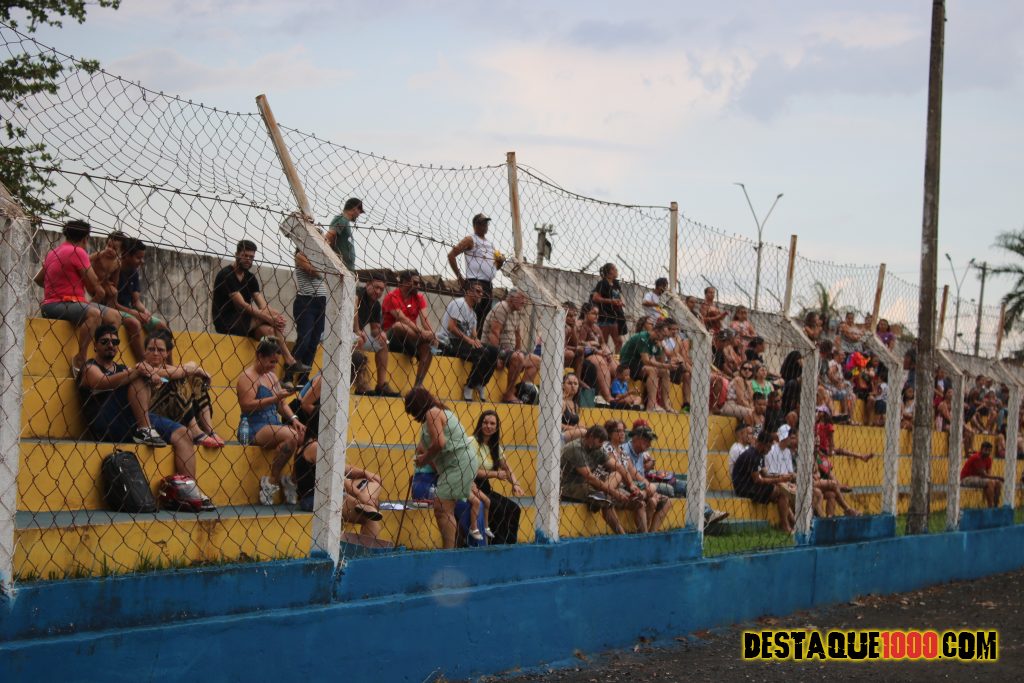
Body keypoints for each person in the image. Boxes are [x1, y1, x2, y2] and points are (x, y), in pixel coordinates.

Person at [78, 325, 211, 506]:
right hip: (106, 422)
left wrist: (151, 377)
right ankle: (145, 430)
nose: (110, 345)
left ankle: (189, 491)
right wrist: (138, 372)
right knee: (139, 374)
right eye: (105, 341)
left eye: (115, 342)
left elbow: (148, 377)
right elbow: (103, 382)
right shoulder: (89, 367)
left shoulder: (122, 368)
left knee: (183, 434)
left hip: (133, 418)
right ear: (95, 345)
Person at [293, 374, 385, 538]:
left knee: (374, 482)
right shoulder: (316, 447)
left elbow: (343, 468)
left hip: (329, 493)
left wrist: (365, 473)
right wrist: (361, 496)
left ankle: (366, 506)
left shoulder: (311, 444)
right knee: (370, 518)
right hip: (317, 498)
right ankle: (367, 513)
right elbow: (337, 476)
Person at [36, 220, 132, 375]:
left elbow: (39, 280)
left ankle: (101, 360)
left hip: (59, 303)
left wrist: (57, 283)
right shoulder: (78, 252)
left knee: (114, 316)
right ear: (86, 238)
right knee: (94, 314)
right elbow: (95, 286)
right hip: (59, 303)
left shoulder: (53, 252)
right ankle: (81, 358)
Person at [212, 239, 308, 378]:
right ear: (236, 254)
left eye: (251, 257)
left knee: (271, 331)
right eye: (245, 256)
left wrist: (277, 318)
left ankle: (272, 374)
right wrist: (270, 318)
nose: (248, 260)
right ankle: (289, 360)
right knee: (270, 318)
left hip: (246, 322)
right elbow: (242, 305)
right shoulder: (226, 275)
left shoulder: (250, 278)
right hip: (227, 321)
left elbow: (263, 305)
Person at [404, 387, 478, 549]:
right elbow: (429, 445)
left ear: (417, 406)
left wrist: (425, 458)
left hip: (458, 463)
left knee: (443, 509)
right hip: (458, 463)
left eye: (412, 411)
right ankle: (450, 549)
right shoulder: (439, 412)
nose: (413, 416)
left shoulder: (432, 413)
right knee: (443, 508)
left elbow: (439, 443)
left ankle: (448, 551)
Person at [236, 338, 305, 506]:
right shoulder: (247, 377)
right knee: (291, 436)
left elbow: (281, 404)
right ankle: (272, 481)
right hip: (254, 425)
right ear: (259, 356)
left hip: (273, 423)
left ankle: (291, 480)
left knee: (304, 436)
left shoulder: (272, 376)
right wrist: (274, 398)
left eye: (276, 362)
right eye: (271, 361)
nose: (273, 366)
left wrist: (294, 419)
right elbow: (246, 405)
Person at [142, 330, 224, 448]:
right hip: (152, 415)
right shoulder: (142, 367)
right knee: (179, 378)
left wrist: (196, 371)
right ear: (145, 352)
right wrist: (196, 369)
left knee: (195, 378)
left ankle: (209, 431)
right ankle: (196, 432)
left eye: (160, 350)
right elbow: (178, 372)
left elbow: (189, 366)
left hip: (173, 412)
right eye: (151, 349)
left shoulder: (169, 368)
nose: (155, 353)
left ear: (167, 353)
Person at [559, 425, 641, 535]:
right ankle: (623, 536)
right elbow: (590, 478)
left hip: (587, 484)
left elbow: (618, 466)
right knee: (605, 500)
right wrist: (614, 493)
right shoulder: (575, 449)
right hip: (568, 486)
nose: (602, 444)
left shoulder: (596, 448)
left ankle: (644, 536)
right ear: (591, 437)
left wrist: (631, 485)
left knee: (638, 500)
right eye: (600, 441)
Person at [437, 282, 499, 402]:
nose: (480, 294)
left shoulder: (473, 314)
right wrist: (469, 340)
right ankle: (469, 386)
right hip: (450, 342)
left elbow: (474, 335)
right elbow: (451, 327)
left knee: (494, 351)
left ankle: (481, 383)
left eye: (482, 292)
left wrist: (476, 341)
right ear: (469, 292)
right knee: (483, 353)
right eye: (477, 291)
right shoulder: (460, 304)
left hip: (462, 343)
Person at [448, 213, 504, 336]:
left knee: (482, 320)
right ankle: (466, 341)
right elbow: (451, 255)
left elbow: (495, 267)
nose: (484, 226)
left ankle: (476, 342)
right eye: (481, 223)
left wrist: (500, 262)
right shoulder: (470, 240)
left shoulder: (491, 244)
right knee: (470, 317)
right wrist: (460, 277)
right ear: (475, 225)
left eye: (486, 223)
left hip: (488, 285)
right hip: (475, 283)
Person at [472, 410, 523, 545]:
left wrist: (515, 483)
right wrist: (495, 474)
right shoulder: (472, 442)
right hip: (472, 486)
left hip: (485, 487)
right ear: (480, 424)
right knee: (498, 509)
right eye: (485, 422)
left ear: (496, 427)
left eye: (492, 423)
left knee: (514, 509)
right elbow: (471, 471)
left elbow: (506, 467)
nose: (488, 426)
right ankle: (496, 545)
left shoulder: (494, 446)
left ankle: (509, 545)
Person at [112, 238, 169, 359]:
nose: (142, 261)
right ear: (127, 255)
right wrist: (136, 314)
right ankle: (144, 362)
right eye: (138, 258)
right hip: (115, 310)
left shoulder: (133, 272)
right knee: (135, 324)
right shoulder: (114, 270)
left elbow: (136, 301)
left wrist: (145, 312)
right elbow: (112, 304)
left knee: (162, 327)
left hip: (130, 310)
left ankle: (169, 366)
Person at [731, 430, 796, 534]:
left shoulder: (760, 454)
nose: (769, 450)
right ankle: (786, 525)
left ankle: (792, 523)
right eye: (768, 447)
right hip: (744, 487)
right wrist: (778, 480)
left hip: (752, 485)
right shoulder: (752, 455)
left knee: (782, 492)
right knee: (781, 491)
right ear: (762, 444)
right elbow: (758, 480)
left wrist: (781, 477)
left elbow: (765, 474)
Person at [483, 289, 540, 404]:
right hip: (494, 349)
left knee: (536, 360)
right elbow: (494, 333)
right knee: (518, 357)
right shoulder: (502, 307)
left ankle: (520, 392)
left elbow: (518, 336)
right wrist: (496, 357)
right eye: (521, 298)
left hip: (510, 351)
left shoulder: (516, 312)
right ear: (511, 298)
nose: (524, 302)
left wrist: (519, 352)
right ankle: (508, 395)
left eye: (525, 299)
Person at [382, 269, 435, 387]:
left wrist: (431, 334)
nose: (418, 286)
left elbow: (425, 320)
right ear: (405, 282)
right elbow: (402, 319)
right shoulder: (391, 297)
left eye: (419, 283)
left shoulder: (419, 298)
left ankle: (418, 385)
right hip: (391, 339)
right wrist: (422, 333)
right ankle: (422, 340)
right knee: (399, 326)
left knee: (428, 347)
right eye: (415, 283)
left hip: (411, 338)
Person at [618, 424, 673, 532]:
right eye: (646, 440)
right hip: (628, 487)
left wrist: (648, 489)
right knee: (652, 496)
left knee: (667, 502)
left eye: (650, 441)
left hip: (642, 488)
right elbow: (632, 476)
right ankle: (645, 535)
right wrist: (648, 487)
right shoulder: (623, 450)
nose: (649, 444)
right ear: (636, 438)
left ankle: (651, 534)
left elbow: (641, 476)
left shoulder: (641, 453)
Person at [353, 275, 400, 397]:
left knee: (382, 344)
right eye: (376, 287)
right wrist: (357, 330)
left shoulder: (376, 305)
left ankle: (381, 385)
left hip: (358, 336)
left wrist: (381, 333)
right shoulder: (358, 292)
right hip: (339, 333)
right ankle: (361, 384)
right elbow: (353, 307)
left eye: (381, 289)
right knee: (359, 340)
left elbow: (374, 329)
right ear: (368, 284)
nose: (378, 291)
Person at [619, 317, 677, 412]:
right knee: (652, 370)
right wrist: (666, 365)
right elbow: (646, 361)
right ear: (657, 331)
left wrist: (662, 348)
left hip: (640, 366)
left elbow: (661, 361)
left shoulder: (656, 341)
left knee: (665, 372)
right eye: (663, 335)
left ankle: (666, 405)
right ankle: (651, 405)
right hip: (627, 364)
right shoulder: (643, 337)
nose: (663, 339)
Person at [291, 247, 327, 379]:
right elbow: (315, 272)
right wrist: (325, 265)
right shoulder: (300, 256)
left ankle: (303, 379)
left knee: (313, 342)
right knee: (304, 339)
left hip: (321, 302)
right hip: (306, 302)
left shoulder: (318, 258)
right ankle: (288, 375)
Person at [591, 263, 626, 351]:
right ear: (610, 271)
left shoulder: (616, 283)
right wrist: (611, 301)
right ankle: (603, 358)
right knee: (604, 342)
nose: (617, 270)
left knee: (619, 342)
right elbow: (595, 298)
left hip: (615, 316)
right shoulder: (602, 283)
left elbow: (619, 295)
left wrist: (621, 302)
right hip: (605, 316)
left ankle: (616, 358)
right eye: (615, 269)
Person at [324, 197, 363, 272]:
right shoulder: (342, 219)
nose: (359, 215)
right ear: (355, 208)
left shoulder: (346, 221)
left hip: (345, 270)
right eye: (359, 211)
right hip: (340, 268)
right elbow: (330, 236)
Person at [960, 442, 1003, 508]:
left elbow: (988, 474)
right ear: (981, 449)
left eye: (989, 451)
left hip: (979, 478)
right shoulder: (976, 457)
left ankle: (995, 506)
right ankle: (990, 507)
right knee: (990, 482)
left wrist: (997, 480)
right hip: (966, 478)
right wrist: (999, 477)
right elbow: (984, 475)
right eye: (986, 450)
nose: (987, 452)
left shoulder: (989, 459)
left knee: (998, 483)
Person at [88, 230, 125, 306]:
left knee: (114, 292)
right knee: (101, 293)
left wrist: (112, 285)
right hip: (91, 280)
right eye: (108, 246)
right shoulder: (100, 255)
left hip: (103, 283)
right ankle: (88, 306)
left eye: (114, 248)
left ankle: (108, 308)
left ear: (121, 251)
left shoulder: (117, 263)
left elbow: (116, 279)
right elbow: (87, 260)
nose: (110, 249)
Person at [561, 373, 587, 442]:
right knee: (584, 432)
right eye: (569, 383)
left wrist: (580, 426)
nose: (573, 386)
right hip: (560, 434)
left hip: (571, 435)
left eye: (575, 384)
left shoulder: (575, 405)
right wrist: (573, 428)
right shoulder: (562, 402)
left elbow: (577, 424)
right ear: (563, 386)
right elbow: (555, 424)